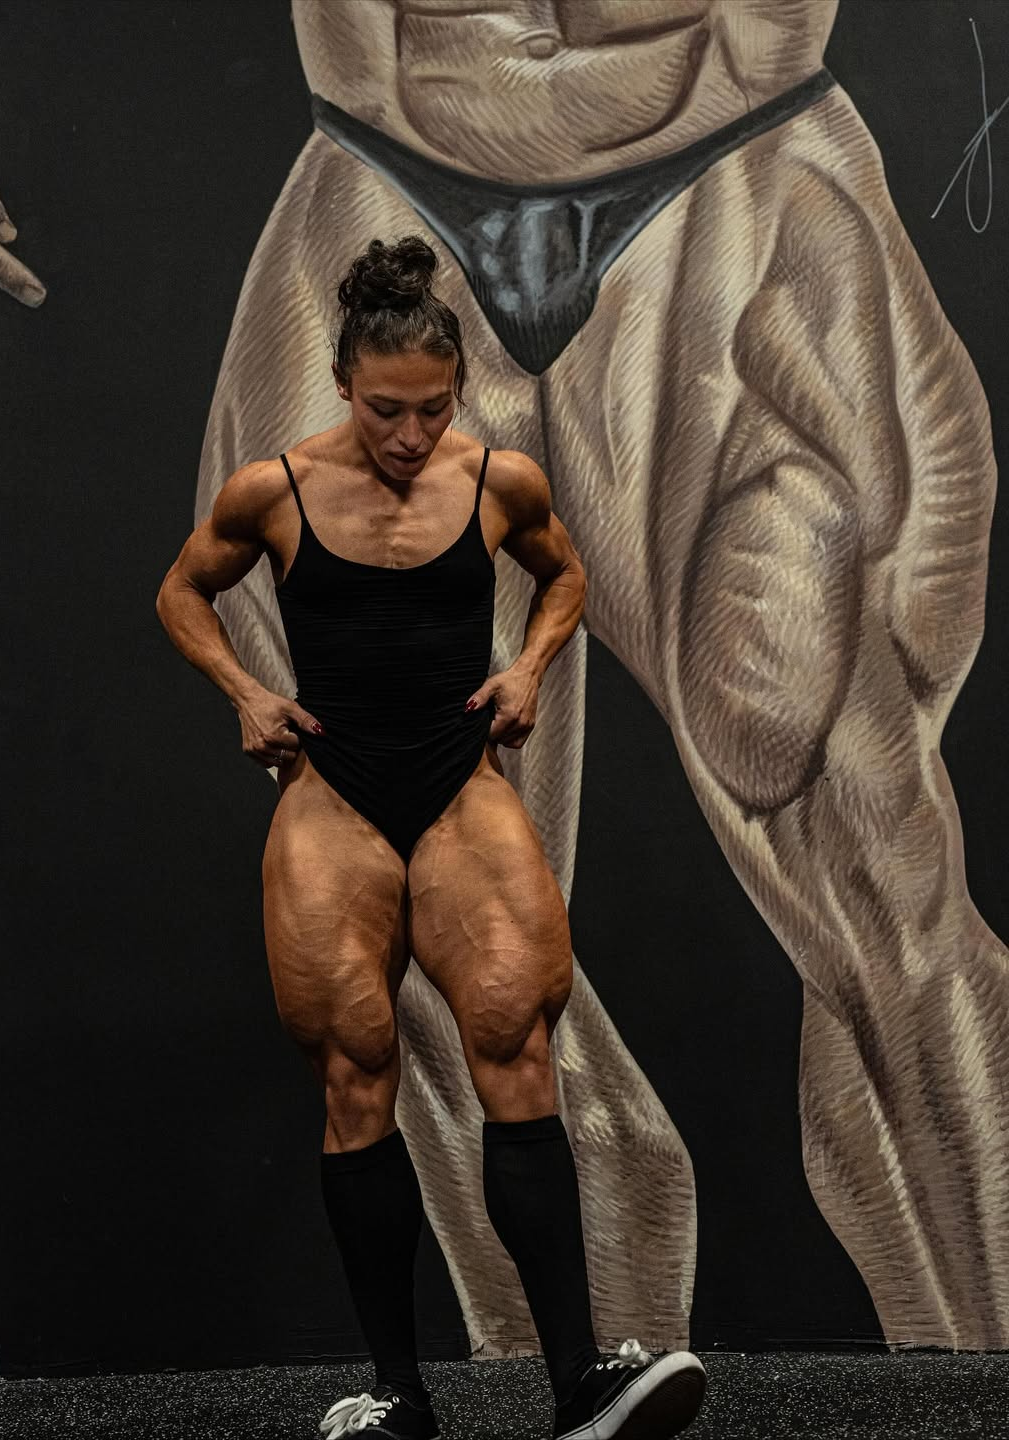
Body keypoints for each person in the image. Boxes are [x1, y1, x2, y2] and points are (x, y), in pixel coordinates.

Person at [157, 234, 706, 1440]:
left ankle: (581, 1386)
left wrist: (530, 666)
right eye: (385, 410)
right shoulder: (275, 491)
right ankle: (400, 1397)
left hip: (460, 787)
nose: (410, 436)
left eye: (433, 408)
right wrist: (246, 692)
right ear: (343, 384)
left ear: (458, 389)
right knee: (356, 1072)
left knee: (515, 1041)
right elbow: (180, 592)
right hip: (333, 795)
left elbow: (563, 578)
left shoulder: (499, 480)